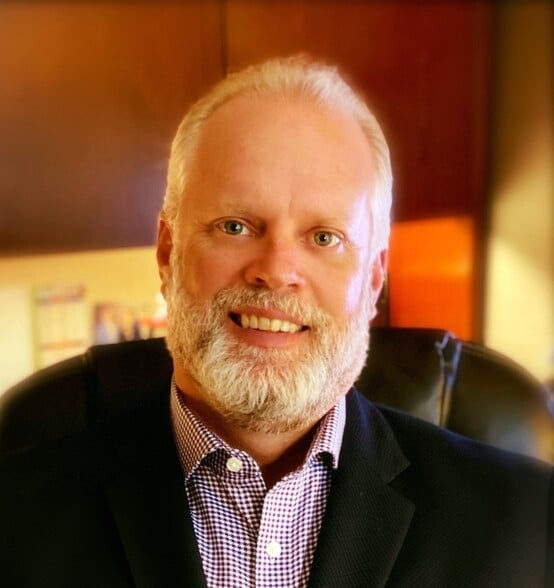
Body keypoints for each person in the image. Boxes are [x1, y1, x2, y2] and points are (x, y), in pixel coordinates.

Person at [0, 56, 551, 588]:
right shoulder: (16, 525)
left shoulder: (529, 525)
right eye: (235, 226)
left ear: (373, 281)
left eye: (324, 237)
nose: (277, 271)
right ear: (168, 253)